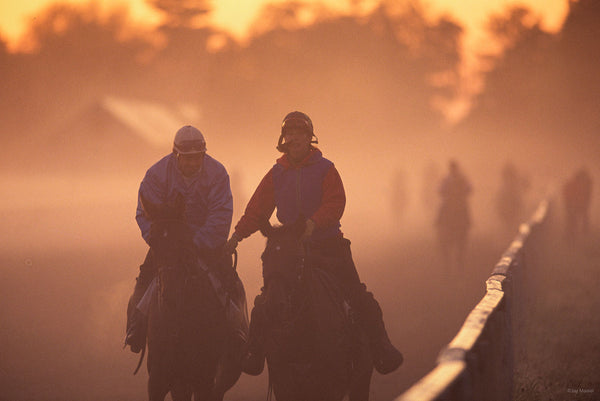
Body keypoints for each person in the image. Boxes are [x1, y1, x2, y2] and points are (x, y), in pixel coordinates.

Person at [224, 111, 403, 376]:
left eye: (300, 134)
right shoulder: (276, 173)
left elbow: (336, 202)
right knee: (266, 299)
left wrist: (314, 223)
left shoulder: (326, 169)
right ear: (283, 140)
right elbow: (257, 209)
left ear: (310, 138)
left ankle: (381, 347)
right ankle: (254, 353)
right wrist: (237, 236)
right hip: (289, 247)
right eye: (289, 134)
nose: (294, 138)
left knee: (359, 295)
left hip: (328, 243)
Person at [124, 125, 234, 353]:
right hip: (168, 244)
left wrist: (195, 243)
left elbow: (221, 214)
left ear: (204, 154)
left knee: (231, 284)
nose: (193, 163)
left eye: (197, 157)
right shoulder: (156, 174)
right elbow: (144, 214)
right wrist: (161, 242)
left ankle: (238, 332)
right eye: (187, 158)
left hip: (207, 244)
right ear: (176, 155)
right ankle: (136, 327)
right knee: (144, 282)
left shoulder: (218, 173)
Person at [435, 159, 472, 270]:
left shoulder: (461, 179)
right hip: (450, 203)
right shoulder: (447, 179)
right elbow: (440, 191)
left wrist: (460, 194)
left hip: (459, 204)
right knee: (443, 211)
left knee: (463, 212)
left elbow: (469, 189)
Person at [562, 167, 593, 240]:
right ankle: (574, 234)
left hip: (575, 203)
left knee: (573, 219)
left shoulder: (573, 183)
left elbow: (566, 193)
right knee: (575, 218)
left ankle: (572, 235)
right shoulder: (586, 183)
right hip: (577, 203)